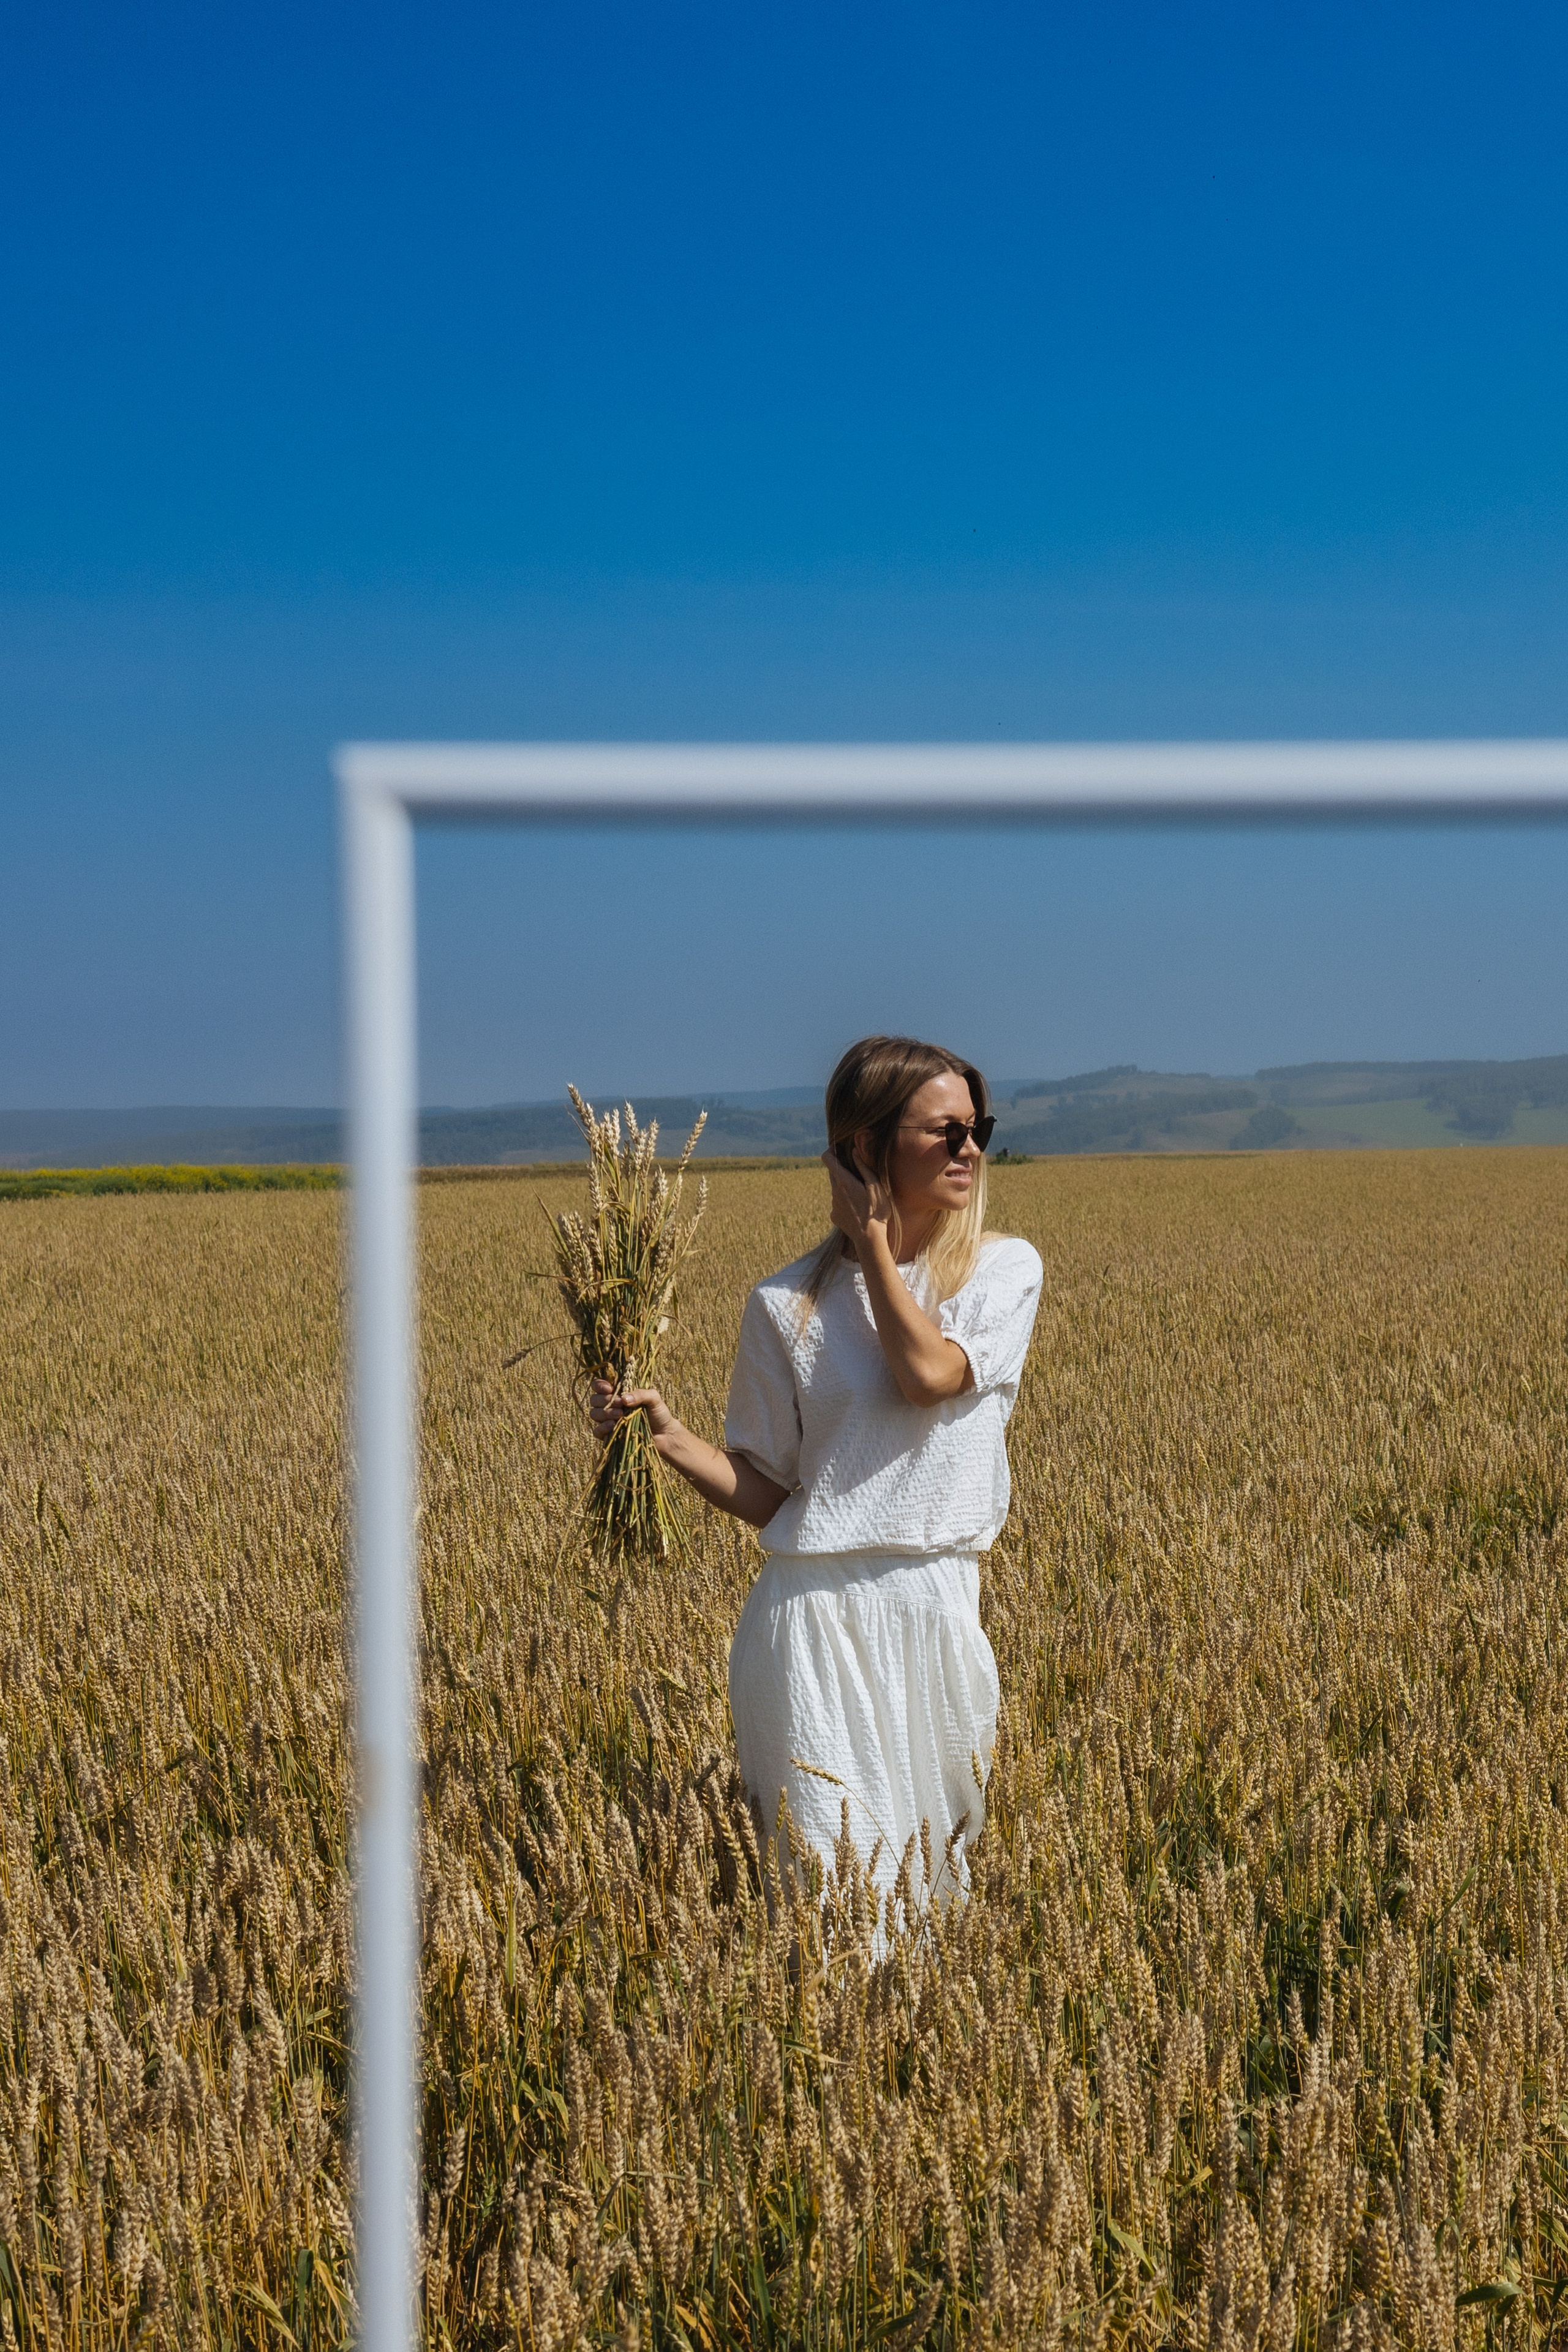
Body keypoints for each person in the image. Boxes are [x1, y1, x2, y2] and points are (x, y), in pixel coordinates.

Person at [588, 1034, 1042, 1915]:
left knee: (935, 1900)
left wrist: (870, 1242)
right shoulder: (785, 1303)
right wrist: (669, 1439)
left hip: (937, 1610)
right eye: (945, 1132)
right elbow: (775, 1496)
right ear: (864, 1148)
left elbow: (928, 1377)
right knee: (830, 1900)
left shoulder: (1001, 1270)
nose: (971, 1149)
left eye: (977, 1129)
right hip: (805, 1622)